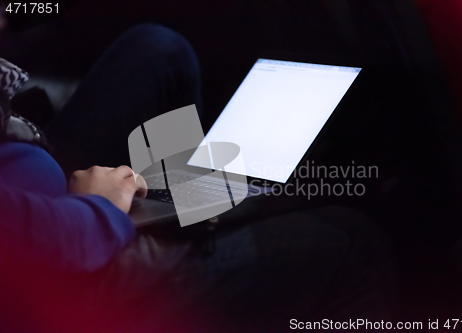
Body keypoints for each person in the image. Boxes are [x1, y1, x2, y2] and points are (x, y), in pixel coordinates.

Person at [0, 24, 395, 332]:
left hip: (34, 179)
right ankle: (197, 248)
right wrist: (100, 206)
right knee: (352, 240)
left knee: (159, 51)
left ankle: (190, 211)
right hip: (54, 278)